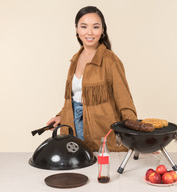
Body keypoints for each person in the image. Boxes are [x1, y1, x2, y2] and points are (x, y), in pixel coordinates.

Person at [47, 6, 137, 152]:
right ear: (76, 30)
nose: (89, 32)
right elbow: (74, 98)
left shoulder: (110, 61)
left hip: (101, 132)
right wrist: (61, 116)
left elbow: (124, 101)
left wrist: (137, 136)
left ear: (102, 31)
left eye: (95, 27)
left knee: (102, 170)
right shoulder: (74, 61)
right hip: (72, 129)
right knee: (77, 170)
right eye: (84, 27)